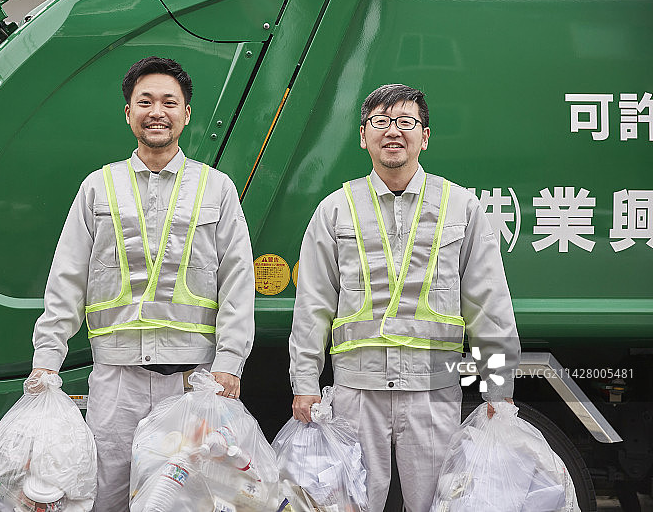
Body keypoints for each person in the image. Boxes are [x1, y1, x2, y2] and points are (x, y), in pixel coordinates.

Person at [28, 56, 255, 511]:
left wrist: (230, 360)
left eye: (170, 102)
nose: (158, 111)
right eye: (145, 101)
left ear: (187, 114)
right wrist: (47, 357)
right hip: (116, 382)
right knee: (104, 497)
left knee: (185, 499)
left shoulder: (217, 189)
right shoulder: (99, 187)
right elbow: (68, 277)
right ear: (128, 112)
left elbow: (237, 280)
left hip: (193, 382)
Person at [289, 84, 520, 512]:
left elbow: (490, 305)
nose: (392, 131)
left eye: (405, 122)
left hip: (432, 392)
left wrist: (498, 390)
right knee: (349, 505)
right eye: (380, 122)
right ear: (363, 135)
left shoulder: (461, 207)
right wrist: (305, 383)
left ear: (425, 136)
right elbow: (313, 306)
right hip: (356, 393)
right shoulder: (336, 210)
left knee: (439, 505)